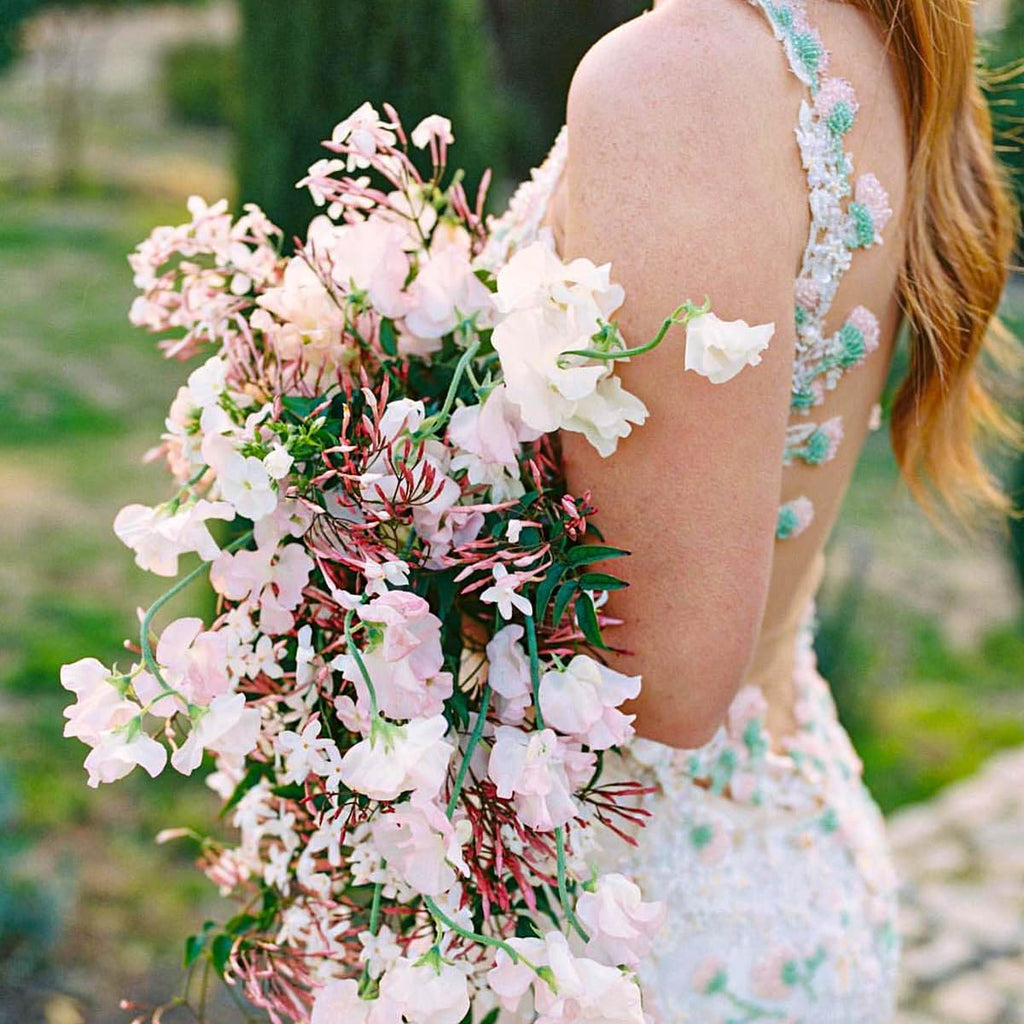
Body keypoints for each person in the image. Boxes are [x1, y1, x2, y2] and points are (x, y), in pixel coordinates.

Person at [486, 0, 1019, 1018]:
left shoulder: (680, 81)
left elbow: (668, 686)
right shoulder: (867, 41)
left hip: (632, 943)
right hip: (771, 863)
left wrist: (357, 579)